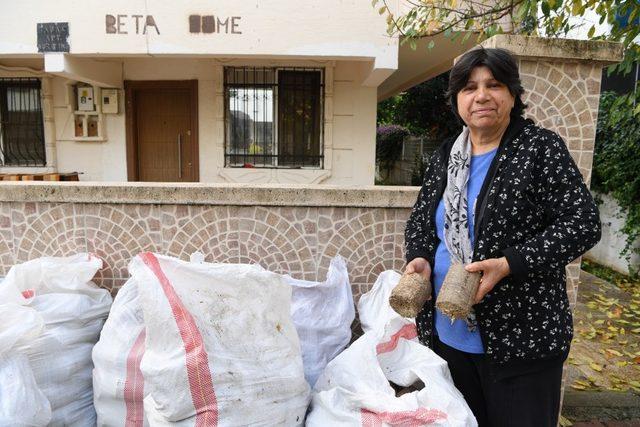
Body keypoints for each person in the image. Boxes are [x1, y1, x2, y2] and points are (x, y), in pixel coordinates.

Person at [404, 47, 601, 427]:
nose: (481, 95)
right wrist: (420, 257)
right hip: (449, 335)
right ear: (457, 100)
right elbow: (421, 221)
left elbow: (581, 224)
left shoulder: (539, 149)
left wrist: (511, 263)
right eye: (469, 87)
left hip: (521, 343)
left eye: (493, 85)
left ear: (512, 94)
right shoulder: (446, 155)